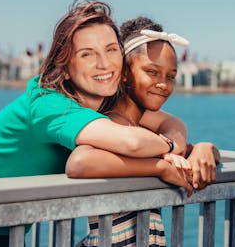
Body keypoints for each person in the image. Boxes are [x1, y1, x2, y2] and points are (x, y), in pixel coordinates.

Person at [0, 0, 190, 247]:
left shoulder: (100, 99)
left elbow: (166, 120)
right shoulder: (49, 104)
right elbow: (132, 142)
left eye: (111, 49)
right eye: (87, 54)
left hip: (1, 225)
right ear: (65, 68)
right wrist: (163, 161)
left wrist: (198, 149)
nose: (104, 63)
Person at [67, 17, 220, 247]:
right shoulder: (112, 127)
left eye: (170, 76)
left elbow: (184, 149)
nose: (163, 84)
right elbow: (79, 162)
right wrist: (159, 168)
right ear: (125, 73)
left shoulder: (142, 132)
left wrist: (204, 148)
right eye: (152, 72)